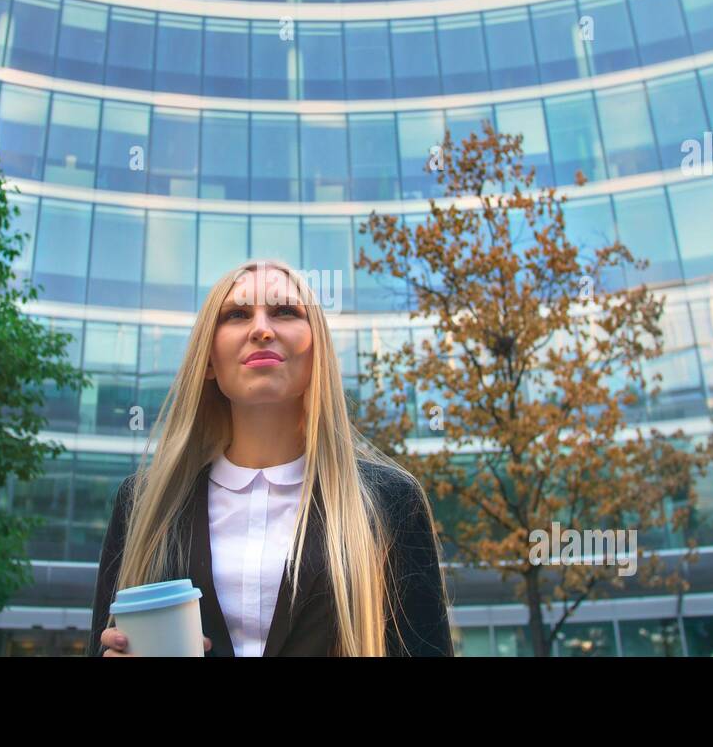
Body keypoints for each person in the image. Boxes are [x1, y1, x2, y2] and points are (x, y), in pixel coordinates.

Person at [90, 258, 453, 656]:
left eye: (284, 311)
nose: (262, 329)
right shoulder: (143, 504)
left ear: (318, 350)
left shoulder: (391, 501)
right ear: (208, 359)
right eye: (237, 314)